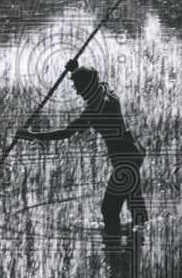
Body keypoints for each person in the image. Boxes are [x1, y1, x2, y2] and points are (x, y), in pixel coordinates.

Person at [16, 60, 148, 238]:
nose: (77, 91)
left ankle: (114, 245)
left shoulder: (96, 109)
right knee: (134, 201)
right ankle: (138, 242)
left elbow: (66, 133)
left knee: (108, 209)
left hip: (125, 160)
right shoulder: (107, 90)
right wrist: (75, 69)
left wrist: (33, 135)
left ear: (88, 85)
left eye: (78, 86)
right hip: (135, 152)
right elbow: (95, 80)